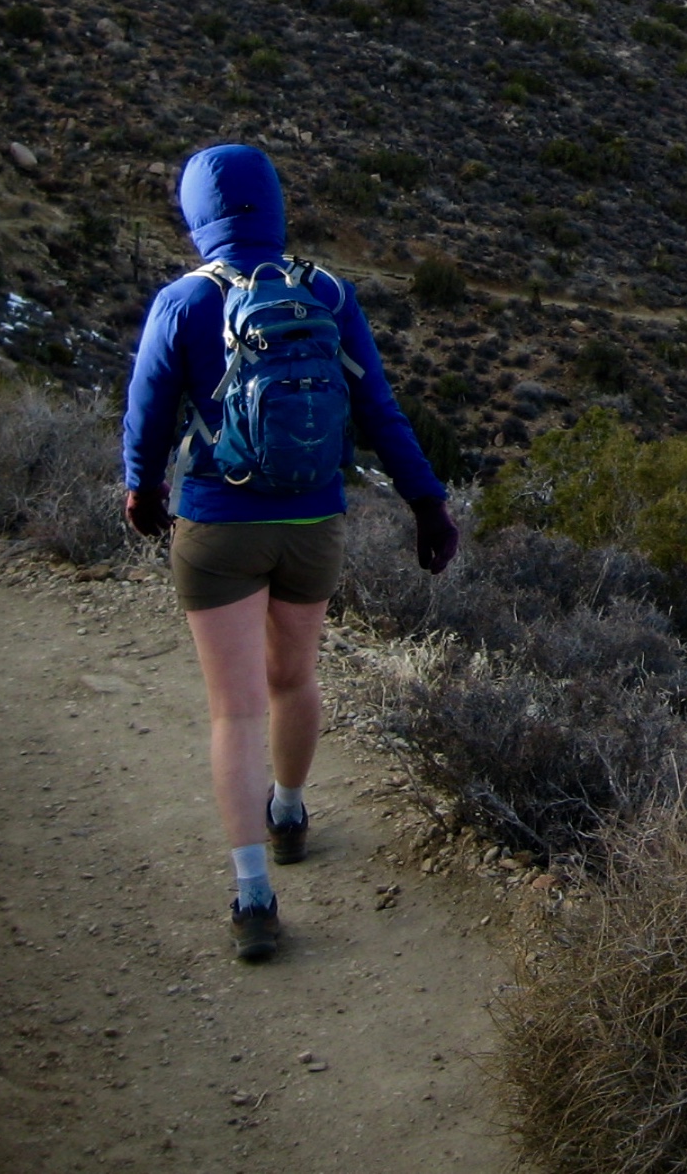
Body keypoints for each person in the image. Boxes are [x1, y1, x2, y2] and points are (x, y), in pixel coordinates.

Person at [120, 144, 459, 962]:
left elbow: (148, 412)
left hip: (218, 524)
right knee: (295, 678)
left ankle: (252, 894)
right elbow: (378, 409)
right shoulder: (327, 293)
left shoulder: (184, 301)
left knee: (236, 710)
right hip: (313, 522)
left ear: (197, 212)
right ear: (273, 205)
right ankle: (290, 810)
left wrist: (141, 488)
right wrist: (426, 502)